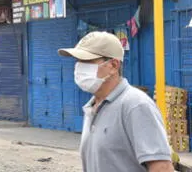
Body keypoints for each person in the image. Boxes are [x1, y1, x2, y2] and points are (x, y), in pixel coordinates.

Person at [58, 31, 174, 172]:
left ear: (113, 65)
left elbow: (162, 167)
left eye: (87, 61)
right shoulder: (92, 107)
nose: (79, 68)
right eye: (78, 61)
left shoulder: (135, 105)